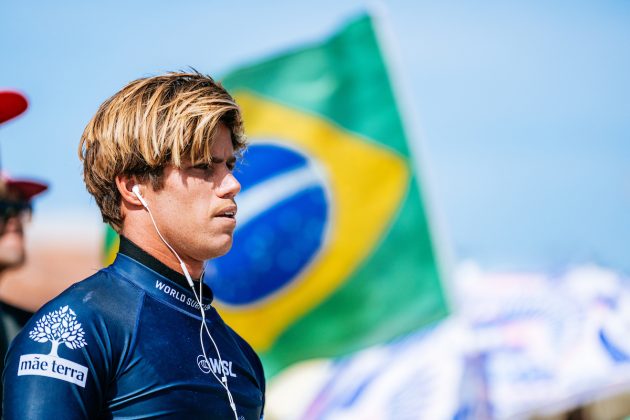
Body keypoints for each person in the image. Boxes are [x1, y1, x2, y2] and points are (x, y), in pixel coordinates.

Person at [3, 72, 265, 419]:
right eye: (204, 166)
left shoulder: (241, 355)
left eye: (229, 165)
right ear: (133, 186)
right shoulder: (72, 329)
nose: (231, 185)